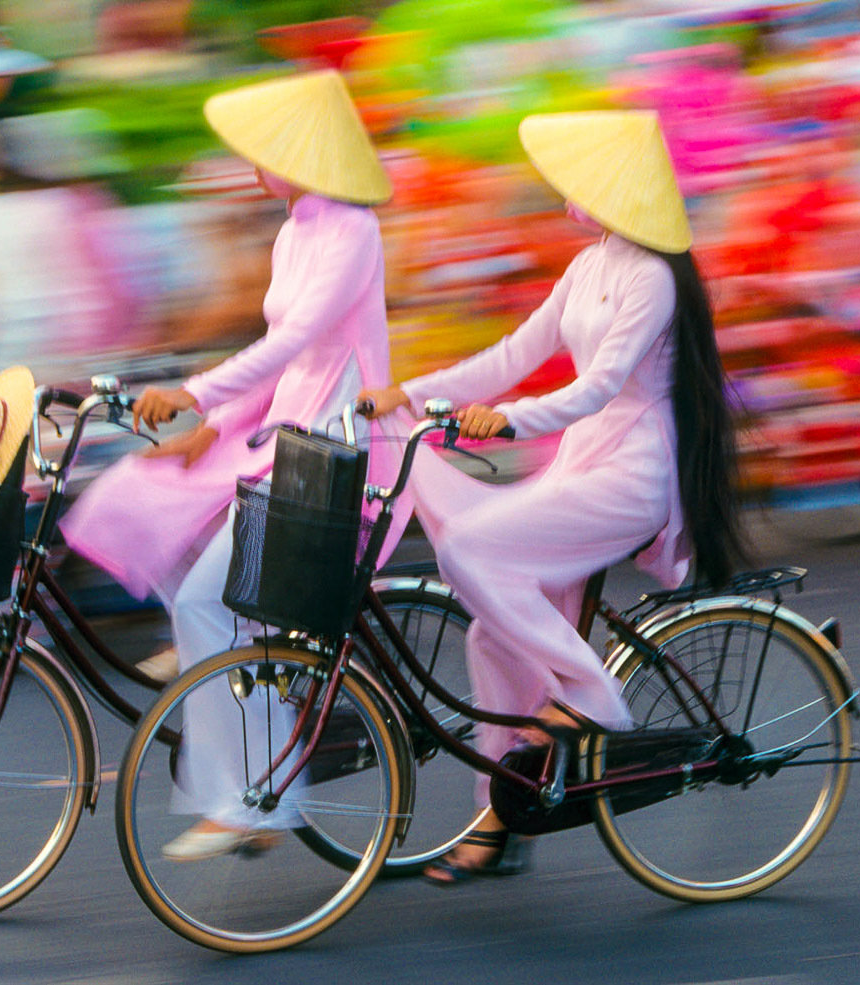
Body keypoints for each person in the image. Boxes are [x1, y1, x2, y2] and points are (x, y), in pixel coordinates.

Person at [357, 110, 746, 884]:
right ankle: (505, 817)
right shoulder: (591, 264)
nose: (565, 191)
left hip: (631, 474)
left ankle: (594, 696)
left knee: (470, 550)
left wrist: (507, 421)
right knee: (489, 636)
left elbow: (598, 387)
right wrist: (409, 390)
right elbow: (513, 353)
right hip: (580, 461)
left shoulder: (655, 279)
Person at [59, 69, 398, 861]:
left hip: (331, 449)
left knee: (213, 599)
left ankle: (253, 798)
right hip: (279, 431)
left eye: (265, 152)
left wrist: (193, 391)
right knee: (146, 493)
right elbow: (284, 364)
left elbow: (293, 342)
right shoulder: (294, 232)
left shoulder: (352, 230)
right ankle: (225, 645)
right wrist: (206, 426)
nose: (253, 166)